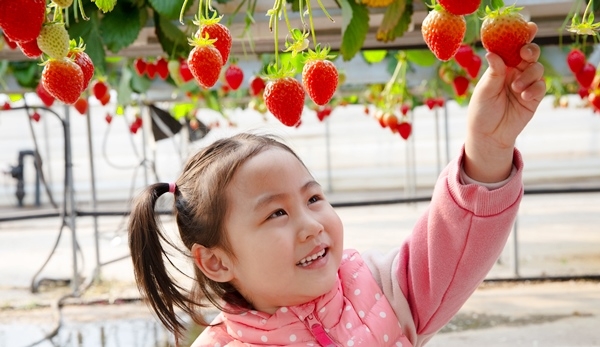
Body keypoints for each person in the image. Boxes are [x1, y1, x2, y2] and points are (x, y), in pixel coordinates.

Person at [128, 22, 545, 347]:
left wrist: (488, 147)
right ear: (217, 262)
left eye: (313, 197)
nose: (311, 224)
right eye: (277, 212)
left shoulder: (381, 291)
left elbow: (454, 244)